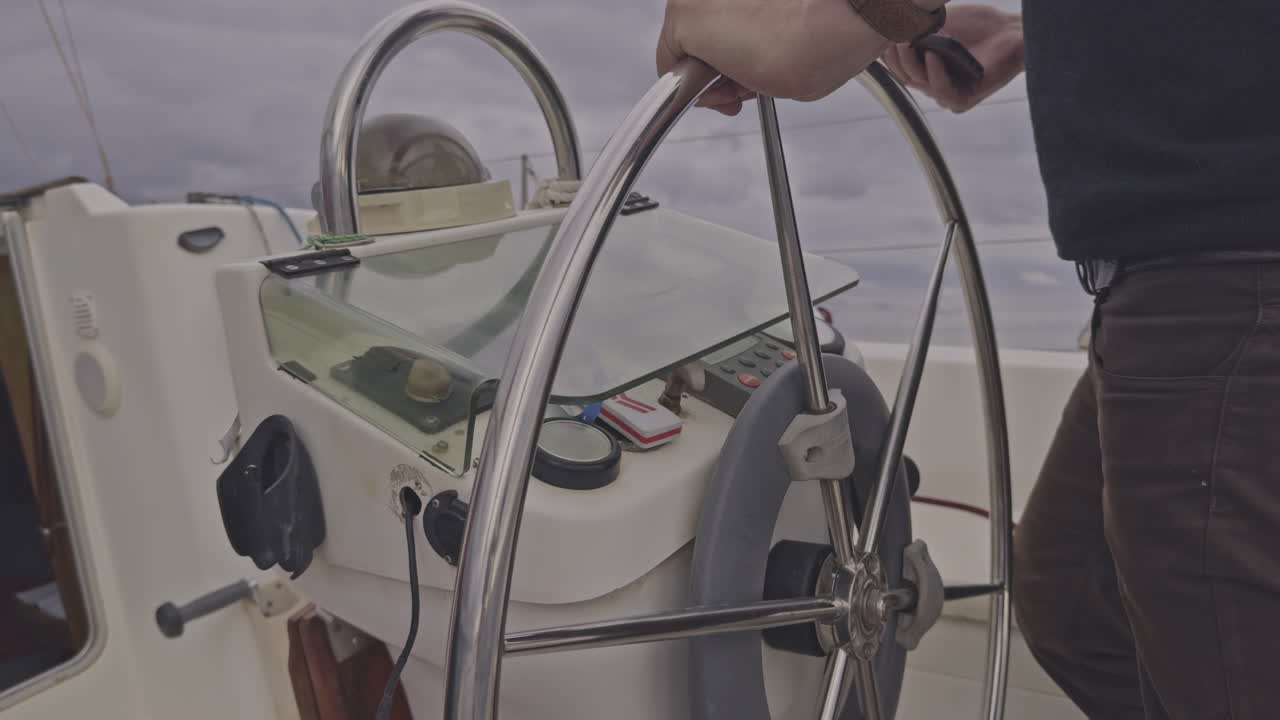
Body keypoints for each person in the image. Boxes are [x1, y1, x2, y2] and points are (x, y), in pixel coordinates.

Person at [658, 1, 1280, 718]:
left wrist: (718, 17)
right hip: (1163, 282)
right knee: (1073, 607)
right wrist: (1037, 33)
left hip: (1224, 281)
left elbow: (797, 46)